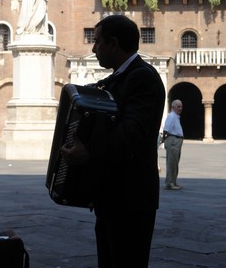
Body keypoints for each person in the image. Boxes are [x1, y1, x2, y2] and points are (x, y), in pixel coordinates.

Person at [61, 15, 165, 267]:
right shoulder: (122, 77)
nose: (93, 48)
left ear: (114, 43)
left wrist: (88, 152)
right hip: (113, 196)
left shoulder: (142, 77)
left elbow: (132, 132)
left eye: (97, 42)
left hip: (130, 198)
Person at [161, 100, 184, 190]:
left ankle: (173, 182)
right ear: (173, 107)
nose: (180, 108)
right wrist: (163, 139)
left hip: (176, 141)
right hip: (173, 140)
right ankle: (170, 183)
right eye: (178, 106)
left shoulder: (175, 117)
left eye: (181, 106)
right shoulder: (171, 116)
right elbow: (166, 129)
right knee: (171, 163)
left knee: (175, 163)